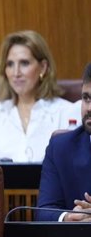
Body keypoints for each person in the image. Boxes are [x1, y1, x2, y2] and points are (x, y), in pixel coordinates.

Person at [0, 30, 74, 162]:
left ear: (43, 67)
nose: (16, 73)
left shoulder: (67, 113)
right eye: (10, 64)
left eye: (24, 63)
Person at [36, 63, 91, 222]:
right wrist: (69, 217)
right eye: (86, 98)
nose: (89, 108)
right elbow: (44, 211)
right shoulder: (61, 148)